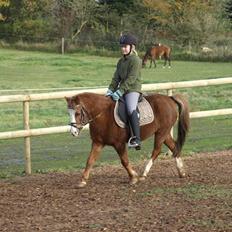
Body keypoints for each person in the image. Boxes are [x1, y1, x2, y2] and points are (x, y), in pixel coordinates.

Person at [106, 34, 142, 150]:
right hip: (121, 90)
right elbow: (116, 77)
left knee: (131, 108)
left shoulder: (136, 60)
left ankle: (136, 138)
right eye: (122, 46)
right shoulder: (120, 61)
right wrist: (111, 89)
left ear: (132, 47)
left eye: (125, 46)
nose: (123, 49)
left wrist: (120, 91)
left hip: (132, 89)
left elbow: (131, 78)